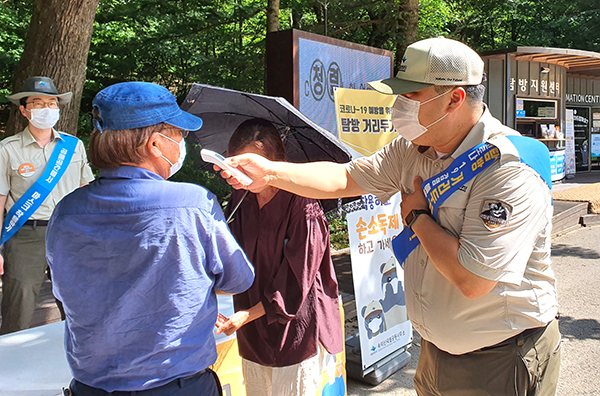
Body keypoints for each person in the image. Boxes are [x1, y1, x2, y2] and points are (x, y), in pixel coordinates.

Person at [217, 37, 560, 395]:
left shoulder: (506, 170)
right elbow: (345, 178)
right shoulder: (411, 150)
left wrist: (418, 219)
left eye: (411, 96)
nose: (399, 106)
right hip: (435, 352)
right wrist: (270, 172)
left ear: (454, 99)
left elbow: (473, 279)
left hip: (501, 357)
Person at [45, 82, 255, 395]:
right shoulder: (194, 203)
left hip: (91, 387)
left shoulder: (66, 211)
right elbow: (239, 280)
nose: (183, 143)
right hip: (179, 386)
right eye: (179, 134)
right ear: (155, 145)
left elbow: (64, 294)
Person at [215, 119, 344, 396]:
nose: (245, 174)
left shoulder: (303, 203)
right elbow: (230, 261)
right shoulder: (241, 200)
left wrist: (246, 315)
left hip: (295, 330)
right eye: (238, 165)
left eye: (252, 165)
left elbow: (296, 283)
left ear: (275, 163)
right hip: (250, 329)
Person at [0, 76, 94, 334]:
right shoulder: (7, 149)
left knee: (78, 303)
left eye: (52, 103)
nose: (46, 108)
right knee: (18, 306)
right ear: (24, 110)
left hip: (69, 234)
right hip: (25, 235)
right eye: (38, 103)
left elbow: (86, 192)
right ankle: (9, 366)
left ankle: (80, 362)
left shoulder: (73, 146)